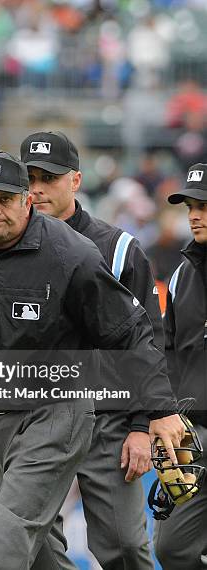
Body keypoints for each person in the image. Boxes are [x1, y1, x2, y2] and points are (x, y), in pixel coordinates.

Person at [0, 151, 184, 569]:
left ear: (26, 201)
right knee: (39, 553)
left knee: (11, 525)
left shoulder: (70, 253)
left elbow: (130, 330)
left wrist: (157, 411)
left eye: (4, 199)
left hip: (57, 408)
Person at [21, 130, 162, 570]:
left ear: (76, 180)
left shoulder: (119, 249)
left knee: (123, 549)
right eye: (31, 178)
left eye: (50, 177)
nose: (39, 188)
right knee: (30, 546)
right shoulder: (7, 248)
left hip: (109, 421)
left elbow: (150, 342)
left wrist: (142, 424)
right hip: (37, 421)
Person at [154, 163, 207, 570]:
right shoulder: (180, 277)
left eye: (204, 205)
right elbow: (166, 355)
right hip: (195, 438)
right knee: (173, 548)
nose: (194, 214)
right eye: (190, 205)